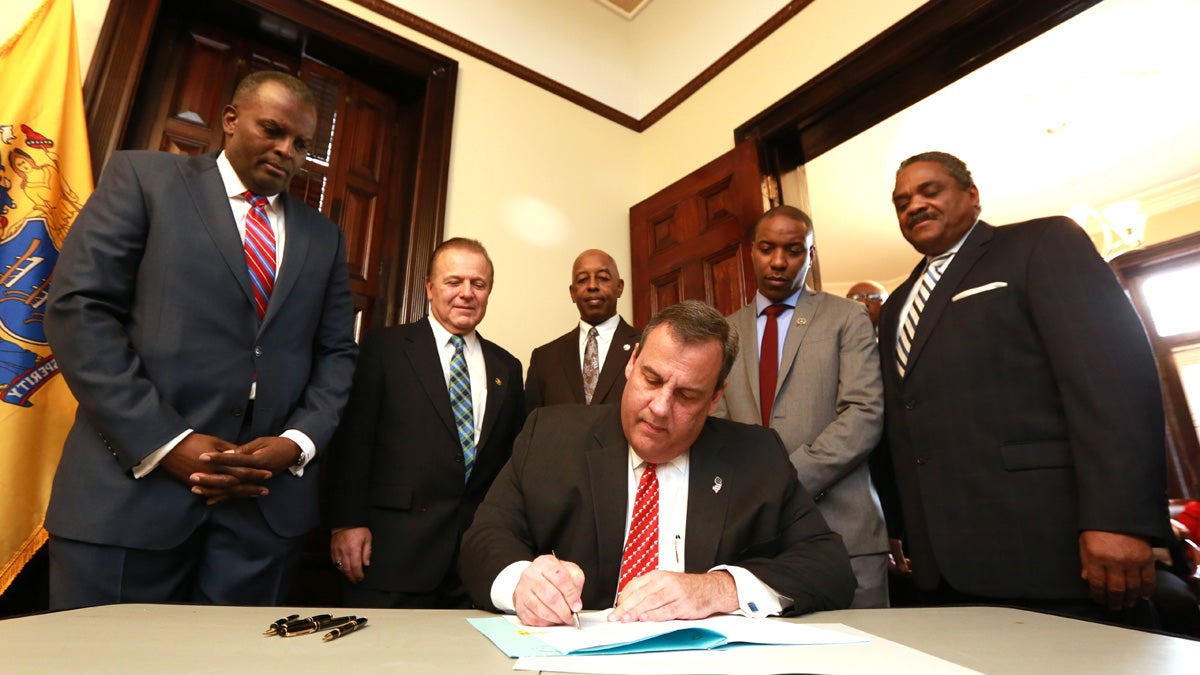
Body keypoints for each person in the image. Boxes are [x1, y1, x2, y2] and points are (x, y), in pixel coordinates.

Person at [44, 71, 357, 609]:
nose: (288, 152)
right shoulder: (143, 178)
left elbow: (336, 354)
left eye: (301, 144)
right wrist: (166, 441)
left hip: (261, 517)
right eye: (274, 130)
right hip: (129, 499)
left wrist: (297, 443)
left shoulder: (322, 236)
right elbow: (80, 311)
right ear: (230, 121)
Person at [873, 150, 1171, 626]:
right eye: (902, 201)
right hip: (942, 570)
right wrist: (898, 525)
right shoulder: (894, 307)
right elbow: (903, 418)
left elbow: (1111, 380)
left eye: (931, 191)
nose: (914, 206)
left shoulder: (1041, 242)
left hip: (1051, 552)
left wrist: (1119, 521)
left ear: (971, 196)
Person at [460, 300, 855, 626]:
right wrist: (522, 583)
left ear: (716, 397)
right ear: (632, 363)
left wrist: (717, 589)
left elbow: (829, 567)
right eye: (651, 379)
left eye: (687, 395)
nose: (660, 408)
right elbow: (483, 540)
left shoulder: (757, 455)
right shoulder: (549, 436)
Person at [328, 238, 525, 608]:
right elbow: (354, 442)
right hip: (390, 554)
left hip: (473, 564)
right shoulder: (384, 348)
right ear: (430, 288)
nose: (466, 293)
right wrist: (345, 522)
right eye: (454, 282)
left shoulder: (507, 368)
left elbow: (510, 465)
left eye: (478, 284)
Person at [715, 206, 888, 608]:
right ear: (751, 252)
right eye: (767, 248)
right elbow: (717, 428)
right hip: (754, 539)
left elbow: (864, 413)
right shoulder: (723, 331)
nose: (779, 261)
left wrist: (787, 480)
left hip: (845, 529)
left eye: (793, 250)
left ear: (810, 255)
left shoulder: (848, 316)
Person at [524, 248, 639, 411]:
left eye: (603, 278)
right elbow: (532, 429)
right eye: (583, 280)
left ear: (619, 287)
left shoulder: (645, 346)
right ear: (572, 293)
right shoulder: (544, 359)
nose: (592, 286)